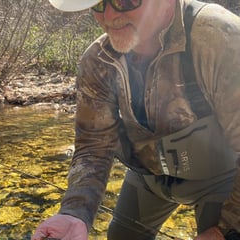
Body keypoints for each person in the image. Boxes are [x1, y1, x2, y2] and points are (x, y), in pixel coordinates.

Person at [32, 0, 240, 239]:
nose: (108, 15)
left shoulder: (220, 37)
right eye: (98, 4)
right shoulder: (98, 61)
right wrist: (75, 212)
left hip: (222, 178)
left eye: (124, 0)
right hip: (148, 176)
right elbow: (93, 146)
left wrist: (227, 229)